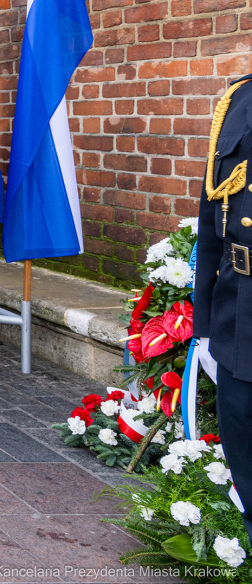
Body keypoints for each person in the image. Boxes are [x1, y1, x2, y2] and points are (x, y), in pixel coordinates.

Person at [194, 73, 252, 543]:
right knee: (241, 425)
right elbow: (211, 218)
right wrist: (204, 321)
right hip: (241, 302)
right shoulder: (239, 98)